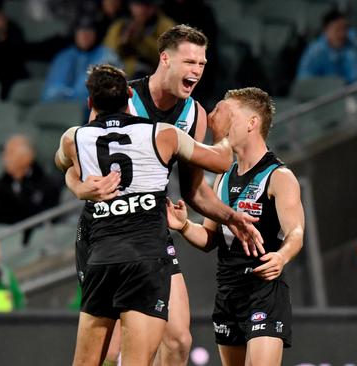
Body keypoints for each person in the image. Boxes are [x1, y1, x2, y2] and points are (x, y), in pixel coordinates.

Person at [67, 24, 264, 366]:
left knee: (177, 341)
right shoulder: (120, 98)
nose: (196, 71)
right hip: (104, 235)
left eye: (202, 64)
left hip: (148, 236)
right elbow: (78, 158)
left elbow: (193, 191)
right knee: (109, 351)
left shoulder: (194, 114)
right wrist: (79, 186)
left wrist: (232, 218)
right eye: (189, 62)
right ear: (164, 59)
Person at [166, 87, 305, 366]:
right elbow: (209, 238)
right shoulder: (223, 178)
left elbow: (296, 232)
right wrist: (183, 226)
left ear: (253, 123)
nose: (221, 120)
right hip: (228, 291)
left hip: (263, 290)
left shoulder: (279, 176)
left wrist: (281, 256)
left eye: (230, 114)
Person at [0, 134, 61, 243]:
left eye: (11, 153)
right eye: (5, 153)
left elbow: (49, 220)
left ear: (28, 156)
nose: (5, 157)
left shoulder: (48, 186)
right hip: (4, 244)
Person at [42, 16, 122, 105]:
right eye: (81, 30)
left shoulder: (107, 56)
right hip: (61, 111)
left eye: (89, 31)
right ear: (75, 33)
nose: (85, 35)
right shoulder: (64, 56)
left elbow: (100, 93)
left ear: (96, 34)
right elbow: (50, 93)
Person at [296, 9, 357, 84]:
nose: (342, 34)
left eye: (345, 28)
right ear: (326, 31)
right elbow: (305, 81)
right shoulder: (315, 52)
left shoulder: (356, 45)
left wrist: (353, 55)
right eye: (337, 29)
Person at [103, 0, 175, 78]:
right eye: (138, 5)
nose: (142, 10)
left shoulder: (164, 25)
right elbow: (108, 53)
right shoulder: (120, 25)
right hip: (124, 73)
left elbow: (170, 56)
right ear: (131, 6)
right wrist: (123, 41)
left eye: (146, 6)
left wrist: (142, 40)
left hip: (154, 75)